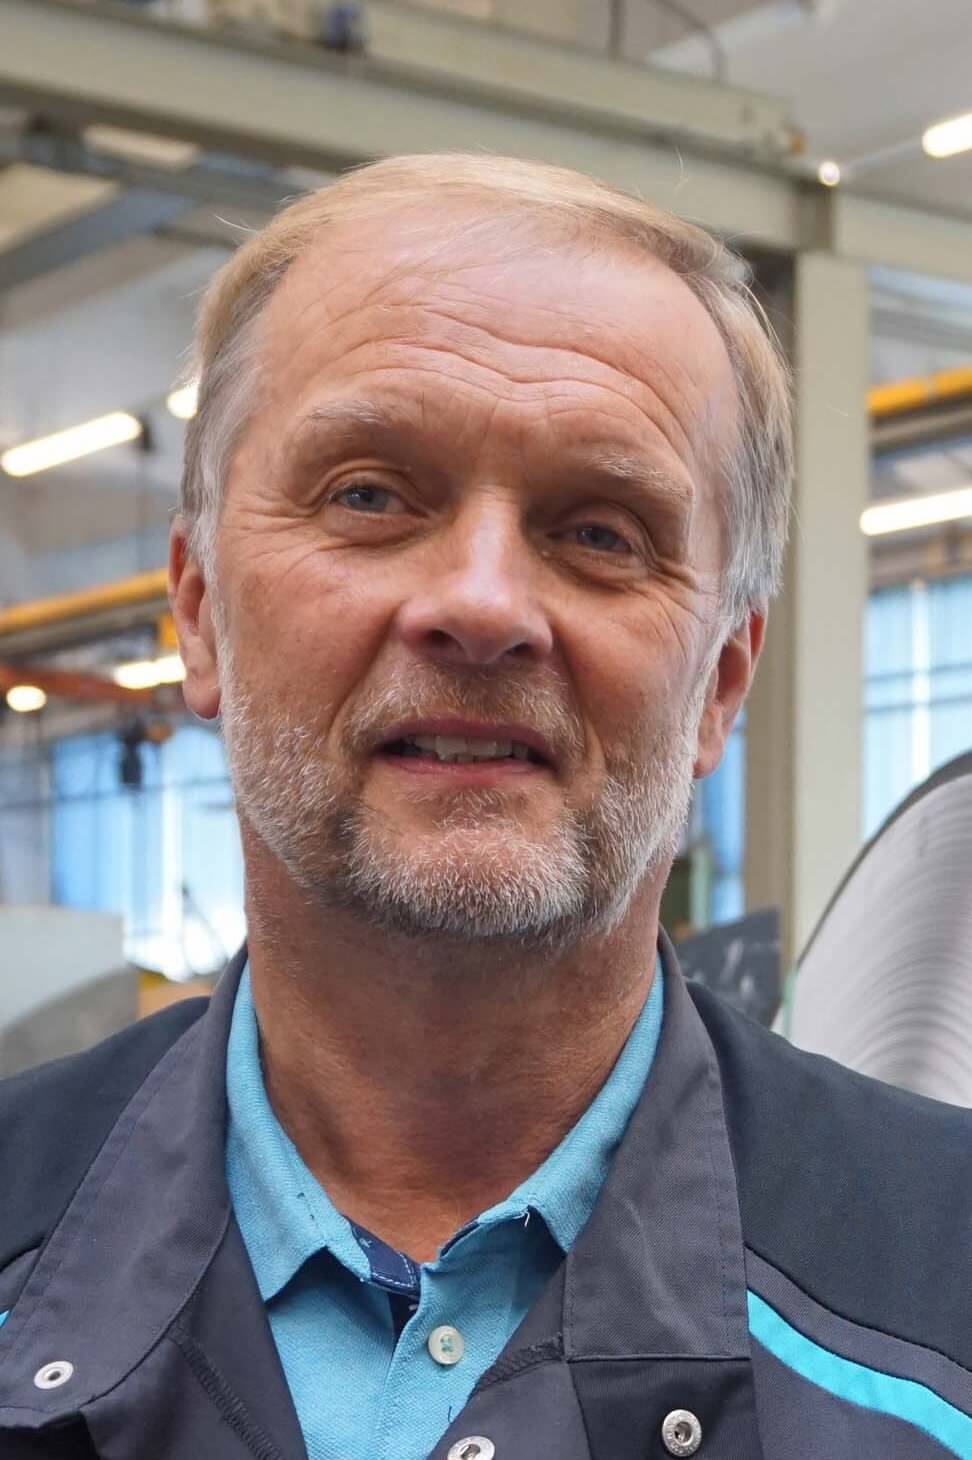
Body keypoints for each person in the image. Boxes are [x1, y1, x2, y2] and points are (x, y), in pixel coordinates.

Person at [1, 154, 969, 1460]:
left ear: (721, 685)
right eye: (369, 495)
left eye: (601, 531)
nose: (483, 605)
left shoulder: (941, 1300)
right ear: (199, 618)